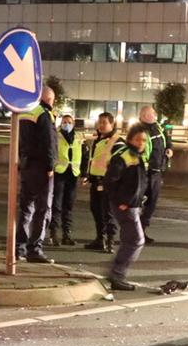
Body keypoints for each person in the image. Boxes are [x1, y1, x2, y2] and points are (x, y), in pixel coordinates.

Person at [103, 123, 151, 291]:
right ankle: (117, 274)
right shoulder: (123, 156)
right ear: (130, 139)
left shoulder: (139, 156)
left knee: (130, 240)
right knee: (136, 240)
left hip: (133, 205)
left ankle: (116, 273)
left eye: (144, 140)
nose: (141, 143)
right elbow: (110, 181)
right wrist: (120, 202)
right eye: (138, 139)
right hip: (125, 206)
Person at [15, 85, 59, 263]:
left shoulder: (25, 112)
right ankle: (35, 249)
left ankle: (19, 248)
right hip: (41, 168)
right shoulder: (44, 113)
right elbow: (49, 142)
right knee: (43, 209)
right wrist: (50, 166)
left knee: (26, 208)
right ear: (49, 99)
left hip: (27, 166)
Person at [83, 111, 121, 252]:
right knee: (96, 211)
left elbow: (119, 163)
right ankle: (100, 239)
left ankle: (110, 242)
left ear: (112, 124)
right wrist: (89, 176)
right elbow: (94, 160)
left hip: (108, 183)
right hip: (96, 181)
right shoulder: (98, 139)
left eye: (105, 123)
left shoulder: (117, 141)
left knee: (108, 213)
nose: (101, 125)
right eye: (100, 122)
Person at [138, 105, 173, 243]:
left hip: (157, 173)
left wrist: (169, 149)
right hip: (144, 173)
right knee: (138, 204)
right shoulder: (139, 131)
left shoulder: (158, 127)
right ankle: (135, 232)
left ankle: (142, 231)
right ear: (145, 115)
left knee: (151, 204)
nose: (155, 115)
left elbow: (168, 141)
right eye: (153, 113)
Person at [49, 113, 83, 247]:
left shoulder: (78, 137)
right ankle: (53, 234)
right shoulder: (56, 135)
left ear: (73, 124)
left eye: (69, 122)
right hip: (59, 173)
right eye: (64, 122)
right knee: (56, 205)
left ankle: (66, 235)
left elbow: (84, 155)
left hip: (73, 174)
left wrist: (84, 173)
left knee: (68, 206)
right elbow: (51, 152)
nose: (66, 124)